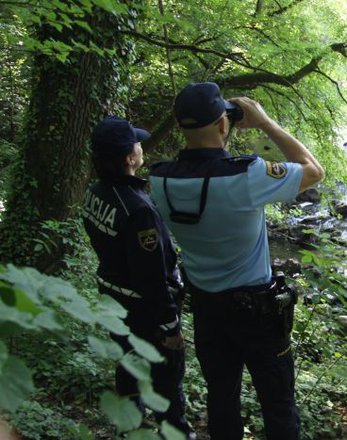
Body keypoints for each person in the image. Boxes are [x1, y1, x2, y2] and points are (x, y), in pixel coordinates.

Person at [149, 82, 324, 440]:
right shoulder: (247, 175)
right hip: (258, 313)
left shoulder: (160, 179)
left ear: (181, 127)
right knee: (277, 404)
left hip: (207, 309)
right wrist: (266, 123)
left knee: (222, 398)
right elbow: (313, 170)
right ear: (223, 125)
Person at [81, 116, 195, 439]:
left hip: (114, 302)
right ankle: (176, 433)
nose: (141, 146)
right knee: (166, 383)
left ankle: (130, 428)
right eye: (137, 143)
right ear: (129, 158)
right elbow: (152, 278)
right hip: (143, 312)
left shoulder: (95, 192)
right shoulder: (137, 210)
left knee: (128, 367)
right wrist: (170, 326)